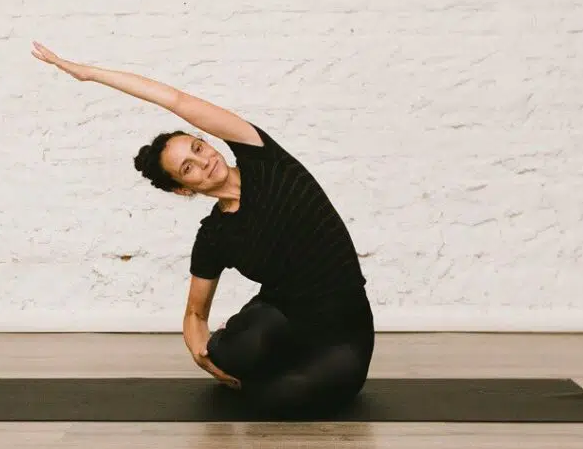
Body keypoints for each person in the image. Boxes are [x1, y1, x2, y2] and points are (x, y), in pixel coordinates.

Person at [32, 41, 375, 417]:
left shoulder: (265, 158)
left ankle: (275, 365)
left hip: (344, 329)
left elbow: (176, 100)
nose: (204, 161)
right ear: (184, 189)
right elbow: (194, 314)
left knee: (283, 399)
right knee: (242, 356)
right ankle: (246, 343)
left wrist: (90, 73)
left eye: (197, 148)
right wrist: (201, 354)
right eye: (188, 168)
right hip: (283, 319)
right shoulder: (214, 236)